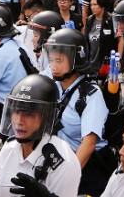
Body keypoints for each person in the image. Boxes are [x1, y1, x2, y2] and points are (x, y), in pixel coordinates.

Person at [42, 29, 115, 195]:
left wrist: (67, 178)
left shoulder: (91, 94)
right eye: (51, 60)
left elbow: (88, 144)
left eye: (58, 60)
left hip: (86, 167)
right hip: (58, 160)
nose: (53, 65)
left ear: (76, 59)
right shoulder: (54, 84)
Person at [0, 74, 81, 197]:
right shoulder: (9, 148)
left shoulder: (64, 163)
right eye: (16, 111)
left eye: (28, 113)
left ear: (46, 117)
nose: (18, 121)